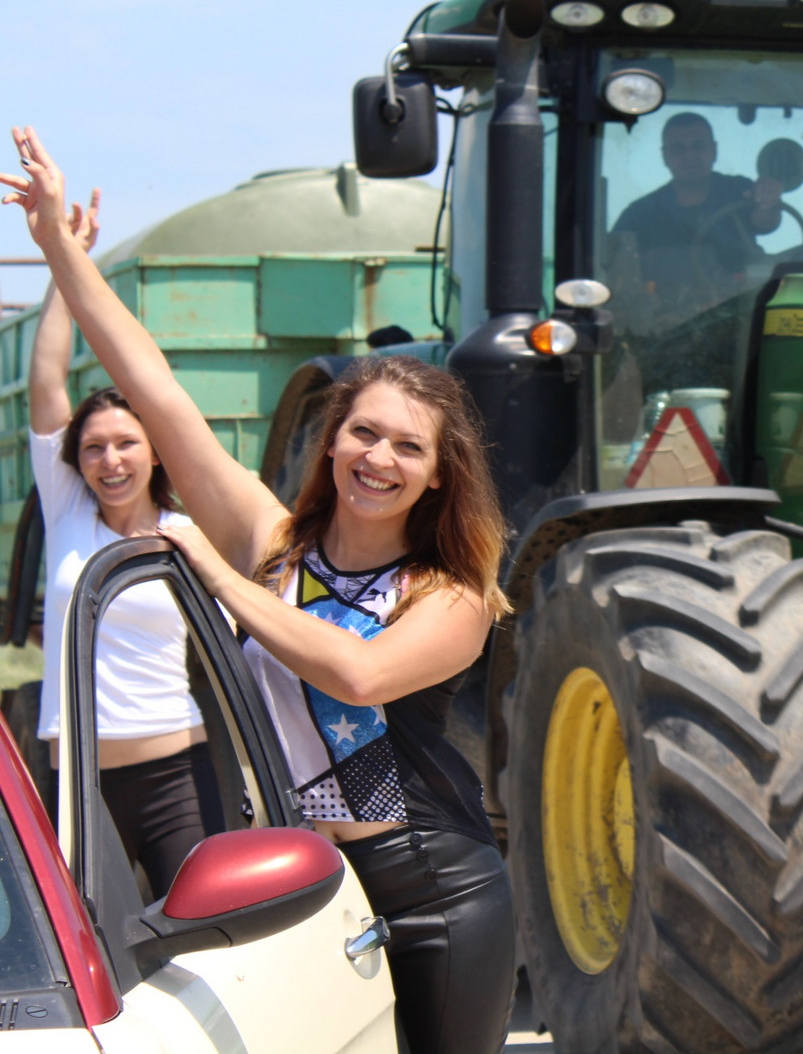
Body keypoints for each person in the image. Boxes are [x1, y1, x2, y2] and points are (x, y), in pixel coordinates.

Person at [4, 127, 516, 1054]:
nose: (379, 459)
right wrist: (59, 249)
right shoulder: (277, 544)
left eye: (409, 447)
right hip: (308, 886)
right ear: (332, 442)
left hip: (436, 889)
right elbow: (153, 388)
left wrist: (219, 576)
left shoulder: (449, 594)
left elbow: (357, 677)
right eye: (364, 434)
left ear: (440, 476)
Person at [26, 187, 223, 897]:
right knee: (90, 962)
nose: (110, 461)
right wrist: (62, 257)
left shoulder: (187, 537)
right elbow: (45, 381)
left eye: (127, 444)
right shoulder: (69, 517)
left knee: (200, 940)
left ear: (156, 452)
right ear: (75, 461)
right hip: (76, 781)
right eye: (94, 448)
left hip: (175, 774)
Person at [611, 111, 784, 313]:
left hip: (738, 316)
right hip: (666, 327)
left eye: (698, 145)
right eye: (678, 148)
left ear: (714, 150)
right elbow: (615, 269)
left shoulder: (741, 191)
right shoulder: (639, 214)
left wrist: (768, 200)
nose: (689, 155)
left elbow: (766, 220)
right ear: (665, 156)